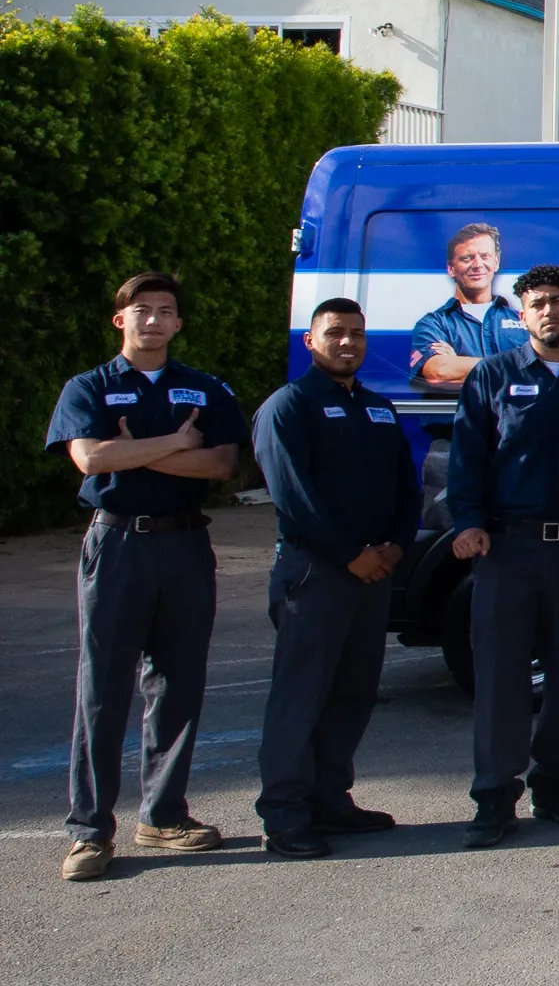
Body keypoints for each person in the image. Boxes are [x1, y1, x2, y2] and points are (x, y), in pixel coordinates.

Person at [44, 272, 248, 882]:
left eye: (164, 311)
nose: (153, 320)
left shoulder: (205, 388)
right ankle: (89, 832)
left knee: (178, 684)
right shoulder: (89, 387)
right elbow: (90, 458)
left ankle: (163, 815)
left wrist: (135, 451)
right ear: (121, 320)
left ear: (178, 323)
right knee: (102, 689)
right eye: (141, 310)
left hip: (185, 544)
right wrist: (174, 443)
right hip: (118, 544)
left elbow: (221, 463)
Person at [446, 264, 559, 847]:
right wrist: (468, 523)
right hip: (508, 549)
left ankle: (555, 786)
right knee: (502, 678)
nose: (550, 311)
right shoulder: (493, 376)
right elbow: (467, 457)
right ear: (521, 315)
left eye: (558, 301)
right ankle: (494, 796)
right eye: (538, 303)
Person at [249, 298, 420, 859]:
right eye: (335, 333)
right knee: (302, 693)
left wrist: (396, 545)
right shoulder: (288, 406)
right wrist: (350, 555)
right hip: (316, 571)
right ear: (311, 341)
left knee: (353, 690)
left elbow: (406, 485)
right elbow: (294, 496)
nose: (347, 342)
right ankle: (285, 814)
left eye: (356, 334)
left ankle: (330, 799)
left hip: (372, 572)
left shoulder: (377, 408)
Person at [411, 223, 529, 388]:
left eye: (485, 256)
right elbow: (438, 371)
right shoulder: (433, 324)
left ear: (496, 262)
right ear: (451, 268)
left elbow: (544, 369)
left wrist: (457, 364)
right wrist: (515, 367)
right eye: (467, 258)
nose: (477, 264)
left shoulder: (524, 320)